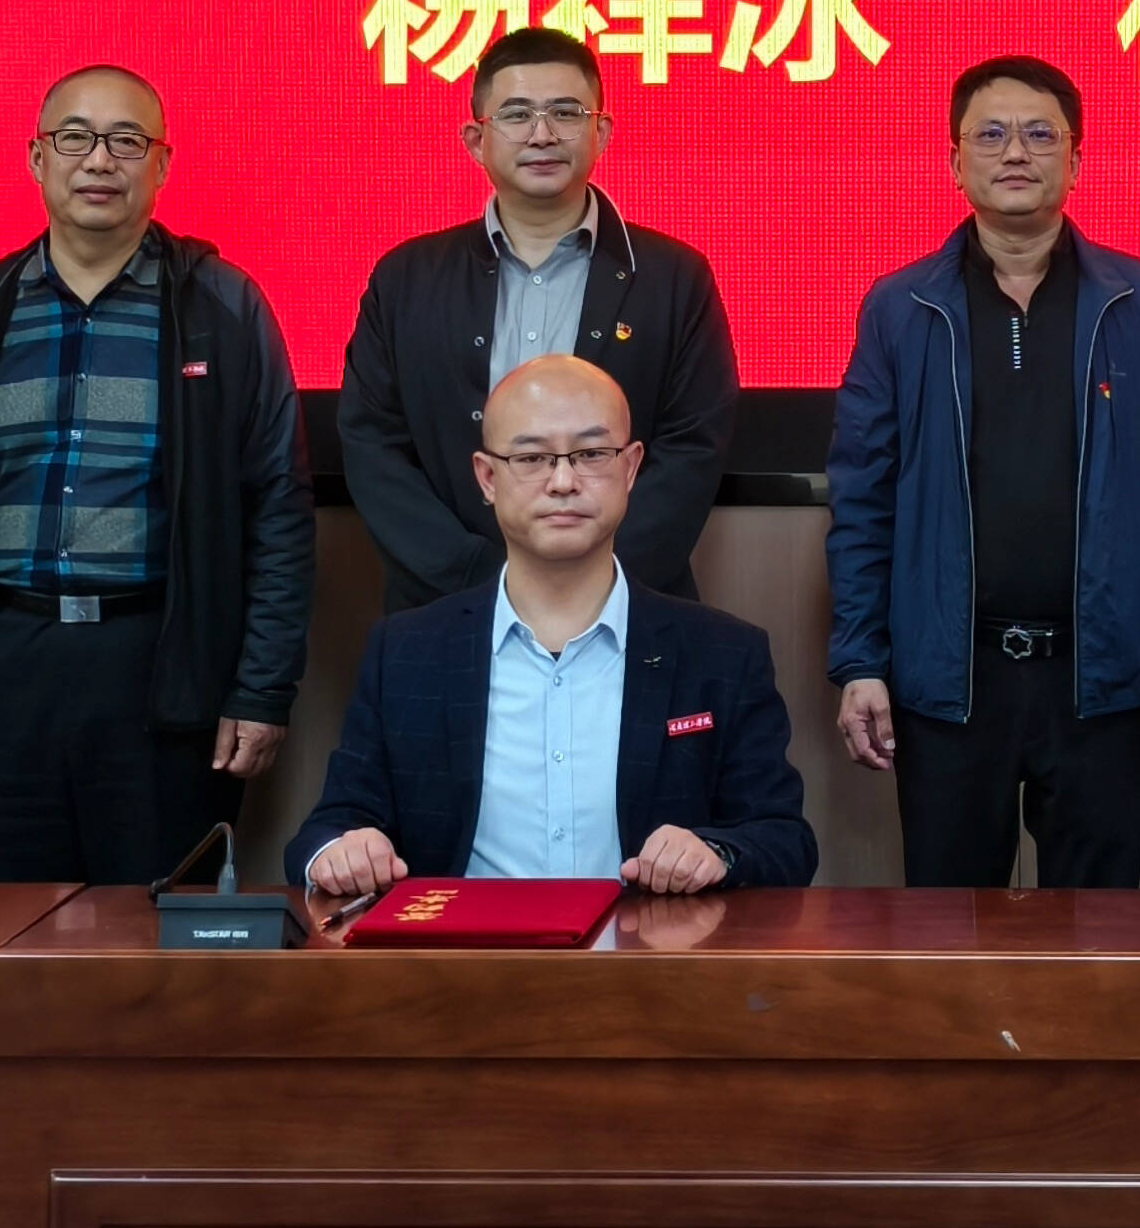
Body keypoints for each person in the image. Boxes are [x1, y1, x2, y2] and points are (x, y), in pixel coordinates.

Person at [0, 66, 312, 884]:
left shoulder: (222, 308)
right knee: (6, 932)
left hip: (163, 670)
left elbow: (278, 513)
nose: (99, 159)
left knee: (156, 934)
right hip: (1, 671)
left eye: (126, 140)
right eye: (74, 137)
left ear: (162, 163)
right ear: (37, 158)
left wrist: (260, 690)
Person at [827, 55, 1140, 888]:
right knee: (947, 929)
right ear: (955, 162)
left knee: (1099, 931)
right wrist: (861, 660)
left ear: (1076, 161)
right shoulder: (901, 308)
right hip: (948, 681)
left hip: (1100, 678)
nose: (1016, 151)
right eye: (992, 134)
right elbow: (863, 501)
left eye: (1041, 134)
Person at [290, 354, 812, 898]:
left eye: (591, 454)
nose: (563, 481)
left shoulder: (723, 654)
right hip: (459, 948)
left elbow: (785, 842)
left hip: (648, 948)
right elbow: (327, 830)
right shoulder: (406, 653)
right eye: (532, 458)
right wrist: (342, 851)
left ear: (631, 468)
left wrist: (717, 852)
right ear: (487, 477)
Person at [336, 25, 740, 614]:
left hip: (627, 610)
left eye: (566, 113)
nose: (542, 134)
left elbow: (692, 450)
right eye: (517, 114)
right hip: (445, 609)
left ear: (601, 133)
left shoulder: (674, 279)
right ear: (477, 140)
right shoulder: (406, 279)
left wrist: (586, 585)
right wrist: (477, 579)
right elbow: (373, 446)